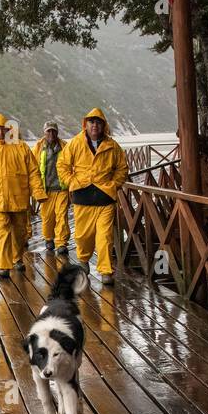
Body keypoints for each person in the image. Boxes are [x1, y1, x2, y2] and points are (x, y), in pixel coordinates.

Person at [57, 107, 128, 285]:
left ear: (103, 125)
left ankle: (106, 271)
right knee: (83, 236)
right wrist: (70, 182)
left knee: (104, 237)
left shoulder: (113, 146)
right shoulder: (75, 143)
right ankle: (83, 261)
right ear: (85, 124)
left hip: (105, 198)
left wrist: (114, 184)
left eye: (98, 122)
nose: (94, 125)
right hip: (82, 197)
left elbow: (122, 168)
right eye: (91, 122)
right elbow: (62, 165)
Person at [0, 113, 45, 278]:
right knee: (1, 232)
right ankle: (3, 266)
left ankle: (17, 258)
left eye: (1, 129)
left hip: (19, 198)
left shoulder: (21, 147)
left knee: (19, 232)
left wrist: (38, 192)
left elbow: (33, 172)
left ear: (7, 129)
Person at [33, 120, 69, 254]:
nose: (51, 133)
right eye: (49, 131)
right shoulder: (38, 147)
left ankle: (61, 243)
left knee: (62, 216)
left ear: (57, 132)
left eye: (54, 130)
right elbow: (32, 167)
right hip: (45, 189)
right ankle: (49, 239)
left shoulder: (65, 146)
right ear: (44, 132)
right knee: (47, 218)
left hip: (62, 188)